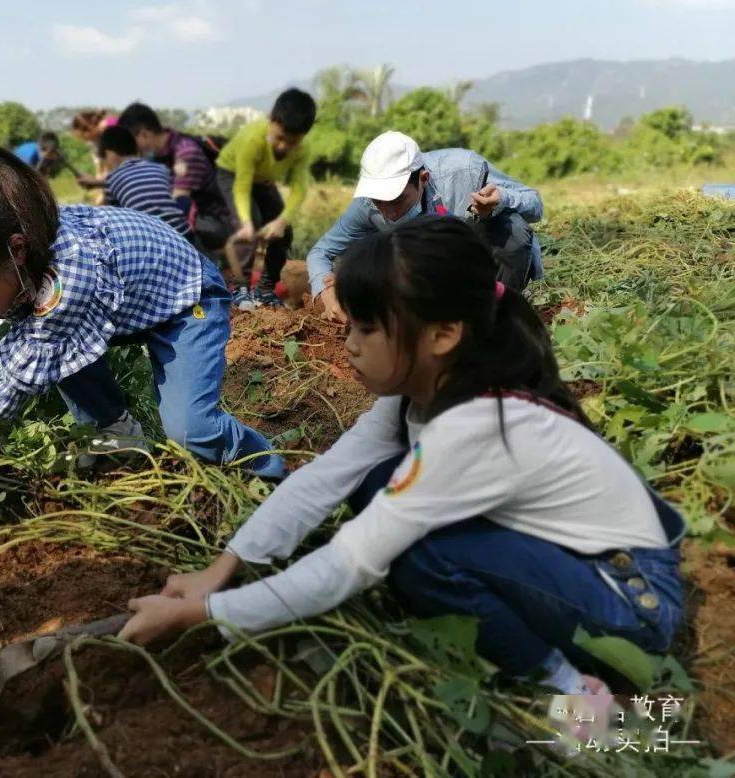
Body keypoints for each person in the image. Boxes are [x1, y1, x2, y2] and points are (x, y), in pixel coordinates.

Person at [119, 216, 684, 709]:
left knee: (418, 548)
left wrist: (204, 614)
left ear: (442, 335)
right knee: (370, 487)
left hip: (633, 603)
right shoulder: (421, 395)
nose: (350, 343)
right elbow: (322, 478)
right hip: (580, 566)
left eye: (368, 327)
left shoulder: (477, 423)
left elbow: (347, 564)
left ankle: (567, 687)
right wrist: (219, 572)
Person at [0, 140, 285, 486]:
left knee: (192, 431)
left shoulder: (65, 282)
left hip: (186, 301)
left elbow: (7, 387)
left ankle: (271, 474)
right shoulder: (11, 246)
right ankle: (118, 437)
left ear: (16, 249)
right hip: (123, 298)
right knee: (59, 349)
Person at [309, 131, 544, 323]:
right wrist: (326, 294)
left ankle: (496, 316)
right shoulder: (367, 204)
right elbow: (321, 252)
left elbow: (535, 205)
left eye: (398, 200)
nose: (388, 212)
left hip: (476, 263)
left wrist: (501, 200)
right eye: (380, 202)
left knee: (513, 230)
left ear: (423, 179)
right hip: (423, 274)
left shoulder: (465, 170)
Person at [214, 88, 316, 309]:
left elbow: (299, 188)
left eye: (292, 142)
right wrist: (247, 222)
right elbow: (241, 186)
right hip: (232, 175)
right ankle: (239, 287)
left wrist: (281, 221)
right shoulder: (252, 138)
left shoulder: (302, 150)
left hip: (263, 181)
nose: (283, 147)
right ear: (271, 120)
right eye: (279, 138)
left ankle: (265, 290)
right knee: (250, 222)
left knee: (285, 233)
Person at [115, 103, 229, 252]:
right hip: (190, 216)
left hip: (213, 222)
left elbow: (178, 205)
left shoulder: (186, 153)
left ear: (144, 134)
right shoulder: (160, 154)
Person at [96, 126, 203, 252]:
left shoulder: (111, 179)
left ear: (110, 154)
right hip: (183, 232)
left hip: (152, 243)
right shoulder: (160, 168)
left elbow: (115, 218)